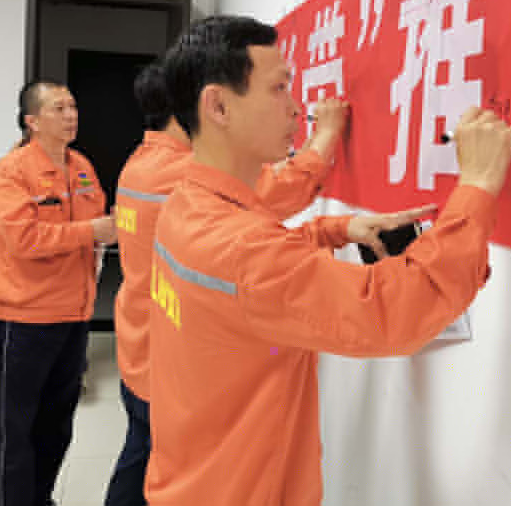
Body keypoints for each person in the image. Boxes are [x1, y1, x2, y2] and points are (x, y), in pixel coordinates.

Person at [146, 15, 511, 505]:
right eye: (278, 88)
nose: (295, 107)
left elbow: (247, 271)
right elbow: (392, 312)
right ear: (218, 105)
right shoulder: (243, 252)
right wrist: (478, 186)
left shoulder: (185, 205)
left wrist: (336, 229)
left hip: (190, 480)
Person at [104, 62, 349, 506]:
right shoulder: (181, 175)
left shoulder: (138, 164)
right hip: (168, 360)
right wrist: (326, 134)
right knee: (148, 468)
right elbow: (279, 191)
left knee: (138, 456)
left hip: (140, 346)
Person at [0, 81, 118, 506]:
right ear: (32, 120)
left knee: (57, 424)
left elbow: (99, 224)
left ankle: (39, 498)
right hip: (26, 318)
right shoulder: (13, 171)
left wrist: (113, 228)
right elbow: (24, 240)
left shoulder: (82, 167)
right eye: (58, 108)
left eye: (73, 106)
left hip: (75, 314)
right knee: (16, 428)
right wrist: (91, 231)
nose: (71, 114)